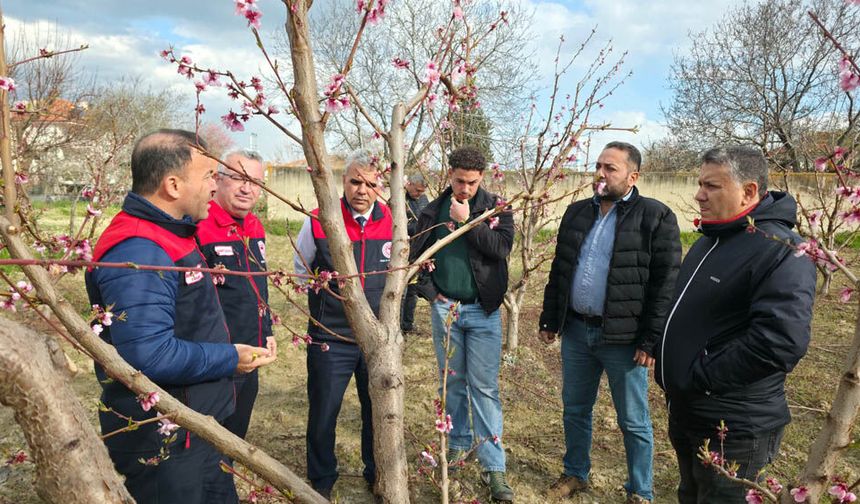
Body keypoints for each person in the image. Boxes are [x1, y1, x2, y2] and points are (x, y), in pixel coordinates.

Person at [85, 129, 277, 504]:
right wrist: (230, 358)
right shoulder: (140, 250)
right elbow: (149, 355)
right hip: (168, 436)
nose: (214, 186)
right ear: (173, 185)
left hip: (195, 425)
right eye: (208, 176)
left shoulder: (172, 235)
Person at [655, 146, 816, 503]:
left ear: (748, 191)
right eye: (699, 184)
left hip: (735, 428)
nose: (699, 194)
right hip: (689, 413)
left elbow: (780, 341)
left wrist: (698, 375)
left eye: (711, 186)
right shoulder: (710, 241)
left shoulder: (781, 251)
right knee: (692, 494)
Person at [539, 141, 681, 504]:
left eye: (610, 168)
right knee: (575, 409)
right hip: (576, 332)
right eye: (598, 166)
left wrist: (651, 339)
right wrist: (550, 317)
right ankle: (575, 473)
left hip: (623, 337)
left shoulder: (655, 216)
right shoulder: (576, 213)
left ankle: (640, 490)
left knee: (633, 420)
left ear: (633, 175)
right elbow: (561, 268)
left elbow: (666, 282)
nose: (600, 174)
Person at [409, 145, 515, 503]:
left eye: (471, 182)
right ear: (449, 174)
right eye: (459, 181)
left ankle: (493, 465)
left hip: (483, 311)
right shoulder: (431, 210)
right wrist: (429, 291)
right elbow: (415, 256)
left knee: (484, 389)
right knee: (451, 382)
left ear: (481, 178)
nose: (465, 189)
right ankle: (457, 445)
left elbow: (500, 249)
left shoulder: (497, 208)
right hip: (446, 309)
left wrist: (469, 221)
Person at [293, 149, 391, 499]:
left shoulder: (393, 221)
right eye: (354, 181)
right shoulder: (321, 219)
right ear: (343, 181)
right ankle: (321, 479)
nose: (362, 190)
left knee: (376, 413)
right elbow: (301, 270)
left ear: (380, 186)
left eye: (370, 183)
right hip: (330, 337)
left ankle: (375, 472)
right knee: (324, 411)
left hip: (375, 342)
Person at [197, 148, 274, 439]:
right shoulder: (200, 226)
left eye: (254, 182)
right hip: (215, 356)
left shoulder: (255, 226)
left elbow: (258, 285)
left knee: (235, 435)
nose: (246, 188)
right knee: (209, 439)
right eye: (238, 178)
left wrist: (266, 330)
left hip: (250, 352)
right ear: (218, 179)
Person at [401, 173, 429, 333]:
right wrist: (417, 228)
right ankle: (397, 325)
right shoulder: (399, 200)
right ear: (409, 183)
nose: (419, 194)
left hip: (419, 251)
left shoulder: (424, 200)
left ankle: (407, 325)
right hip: (403, 251)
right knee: (401, 293)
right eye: (417, 190)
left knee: (412, 290)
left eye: (422, 192)